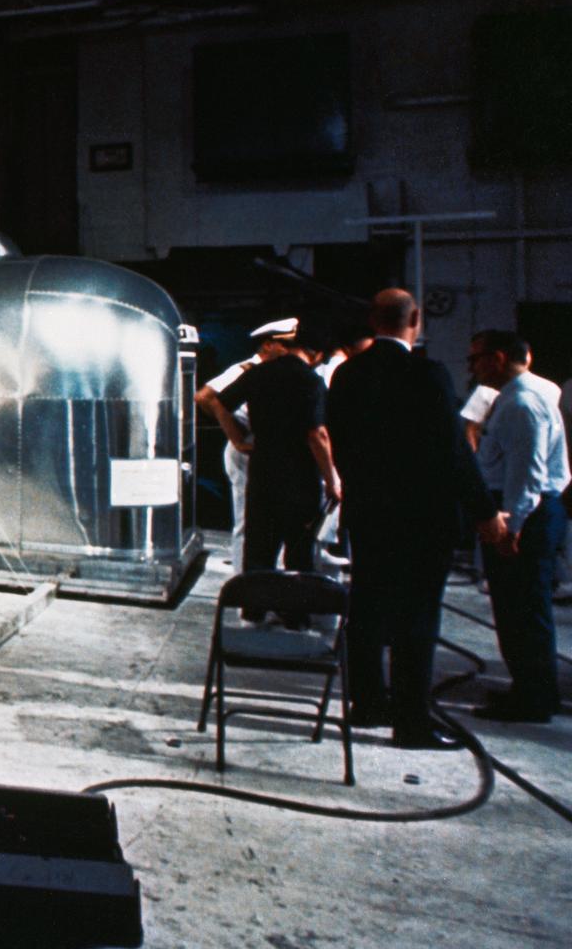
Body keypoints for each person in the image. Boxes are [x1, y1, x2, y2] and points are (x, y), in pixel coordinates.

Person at [327, 290, 501, 749]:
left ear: (372, 319)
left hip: (367, 513)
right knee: (417, 620)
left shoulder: (347, 374)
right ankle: (411, 723)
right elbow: (454, 451)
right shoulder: (428, 374)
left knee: (365, 610)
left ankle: (365, 704)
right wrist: (484, 512)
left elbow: (340, 441)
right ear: (417, 320)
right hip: (422, 519)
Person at [467, 329, 568, 721]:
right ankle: (530, 688)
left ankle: (535, 698)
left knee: (522, 609)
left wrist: (513, 526)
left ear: (496, 357)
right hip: (526, 509)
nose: (472, 368)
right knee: (518, 608)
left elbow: (528, 474)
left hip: (523, 513)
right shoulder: (526, 393)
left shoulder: (522, 403)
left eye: (475, 359)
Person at [211, 325, 340, 625]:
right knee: (298, 550)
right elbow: (317, 434)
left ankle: (253, 613)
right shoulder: (311, 380)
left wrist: (237, 440)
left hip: (263, 467)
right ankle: (295, 617)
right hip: (300, 476)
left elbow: (218, 401)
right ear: (317, 354)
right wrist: (332, 479)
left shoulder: (260, 372)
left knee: (258, 546)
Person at [196, 318, 297, 573]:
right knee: (247, 517)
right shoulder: (246, 369)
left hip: (266, 447)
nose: (290, 350)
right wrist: (235, 436)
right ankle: (243, 578)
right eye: (285, 344)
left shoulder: (278, 371)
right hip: (247, 448)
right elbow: (205, 397)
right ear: (268, 345)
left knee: (270, 517)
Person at [314, 321, 373, 566]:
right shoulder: (342, 367)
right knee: (334, 495)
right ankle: (329, 547)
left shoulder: (330, 367)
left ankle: (330, 548)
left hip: (333, 442)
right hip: (337, 443)